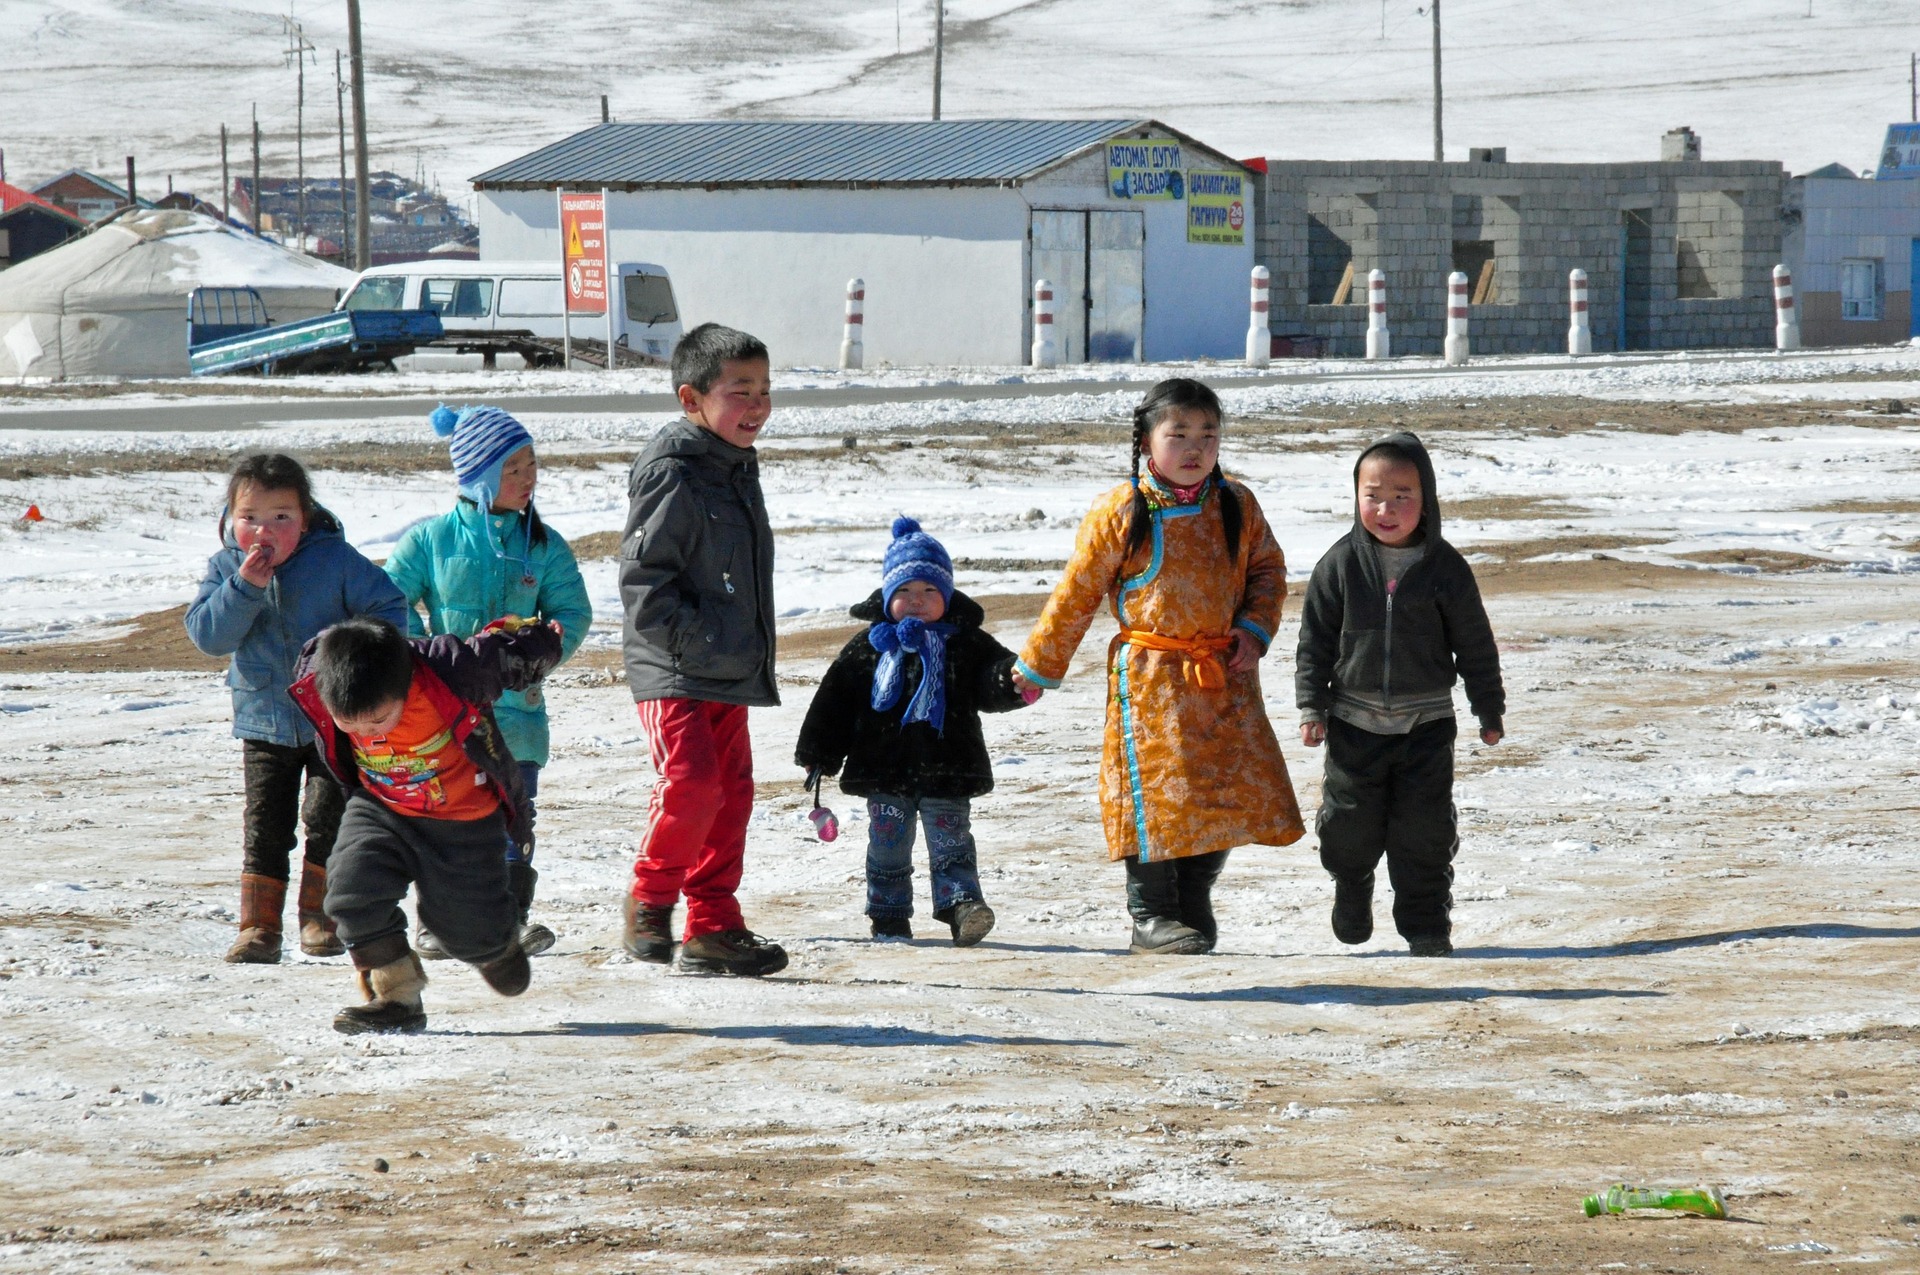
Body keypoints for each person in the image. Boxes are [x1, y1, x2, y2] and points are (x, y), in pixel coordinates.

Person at [1012, 378, 1304, 955]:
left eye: (1208, 434)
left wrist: (1253, 630)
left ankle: (1192, 902)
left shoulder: (1237, 505)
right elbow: (1077, 593)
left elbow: (1268, 573)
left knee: (1218, 791)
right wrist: (1039, 667)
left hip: (1224, 675)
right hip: (1150, 680)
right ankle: (1151, 915)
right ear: (1147, 440)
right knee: (1158, 794)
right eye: (1180, 435)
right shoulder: (1122, 508)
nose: (1195, 447)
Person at [384, 404, 592, 960]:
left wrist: (537, 655)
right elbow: (385, 601)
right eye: (513, 468)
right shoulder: (428, 540)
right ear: (477, 476)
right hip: (444, 714)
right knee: (447, 817)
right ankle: (437, 923)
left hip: (517, 714)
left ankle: (508, 921)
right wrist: (426, 658)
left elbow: (573, 613)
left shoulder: (543, 547)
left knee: (511, 813)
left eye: (531, 466)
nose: (528, 479)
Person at [288, 615, 563, 1033]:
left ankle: (497, 943)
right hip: (382, 806)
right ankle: (396, 997)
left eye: (379, 720)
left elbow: (503, 653)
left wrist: (542, 641)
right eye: (351, 724)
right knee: (350, 895)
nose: (367, 731)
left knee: (464, 935)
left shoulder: (451, 670)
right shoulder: (318, 670)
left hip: (464, 817)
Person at [184, 453, 407, 965]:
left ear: (305, 519)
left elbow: (391, 611)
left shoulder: (335, 561)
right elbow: (209, 637)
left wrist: (355, 658)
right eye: (250, 518)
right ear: (231, 521)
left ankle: (320, 918)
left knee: (327, 817)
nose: (265, 530)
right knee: (265, 823)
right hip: (263, 719)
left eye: (281, 516)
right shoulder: (225, 569)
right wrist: (244, 588)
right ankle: (258, 928)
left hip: (332, 721)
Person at [617, 323, 788, 976]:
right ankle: (649, 903)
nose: (758, 405)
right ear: (692, 400)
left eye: (765, 390)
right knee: (692, 784)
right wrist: (694, 639)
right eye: (740, 390)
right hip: (677, 664)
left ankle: (713, 924)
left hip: (724, 662)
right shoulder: (675, 468)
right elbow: (643, 578)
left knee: (732, 793)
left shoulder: (733, 466)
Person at [1294, 431, 1505, 958]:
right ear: (1356, 496)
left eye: (1403, 495)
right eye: (1374, 494)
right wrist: (1310, 705)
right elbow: (1314, 642)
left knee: (1424, 832)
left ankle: (1426, 922)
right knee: (1348, 826)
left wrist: (1489, 706)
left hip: (1426, 725)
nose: (1386, 508)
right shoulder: (1338, 565)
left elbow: (1475, 643)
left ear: (1426, 499)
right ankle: (1352, 883)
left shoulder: (1446, 569)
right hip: (1353, 723)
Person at [796, 517, 1031, 945]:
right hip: (883, 770)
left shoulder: (967, 642)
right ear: (887, 597)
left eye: (928, 592)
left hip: (949, 767)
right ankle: (888, 915)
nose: (916, 601)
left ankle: (962, 907)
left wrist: (1013, 682)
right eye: (904, 592)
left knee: (952, 843)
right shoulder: (868, 646)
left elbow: (993, 680)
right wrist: (820, 752)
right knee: (887, 847)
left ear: (947, 596)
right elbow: (835, 702)